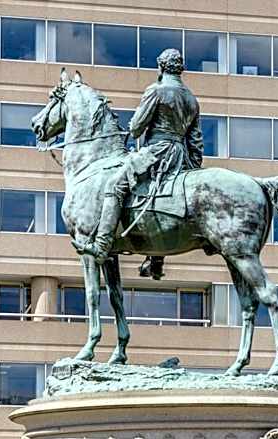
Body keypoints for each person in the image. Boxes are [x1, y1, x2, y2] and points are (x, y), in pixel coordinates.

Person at [77, 48, 203, 279]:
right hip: (180, 155)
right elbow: (195, 141)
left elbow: (136, 127)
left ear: (161, 66)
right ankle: (156, 261)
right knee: (159, 198)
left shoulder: (157, 91)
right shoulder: (191, 99)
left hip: (156, 152)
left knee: (116, 187)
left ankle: (102, 244)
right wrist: (193, 167)